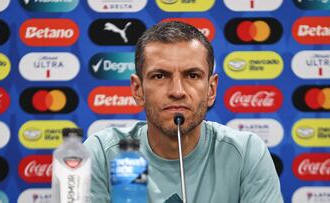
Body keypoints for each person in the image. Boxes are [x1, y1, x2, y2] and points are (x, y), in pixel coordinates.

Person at [84, 21, 284, 203]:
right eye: (160, 76)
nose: (177, 91)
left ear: (211, 89)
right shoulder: (103, 153)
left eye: (192, 75)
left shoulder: (246, 152)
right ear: (138, 90)